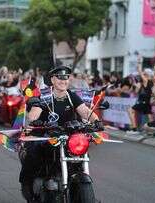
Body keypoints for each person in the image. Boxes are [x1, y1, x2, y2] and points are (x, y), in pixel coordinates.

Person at [19, 65, 101, 202]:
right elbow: (34, 112)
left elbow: (85, 111)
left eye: (66, 78)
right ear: (52, 79)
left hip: (69, 136)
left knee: (82, 152)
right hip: (47, 135)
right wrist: (34, 120)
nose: (63, 81)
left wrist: (97, 121)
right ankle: (28, 186)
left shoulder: (71, 96)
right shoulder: (45, 95)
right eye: (59, 78)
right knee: (33, 153)